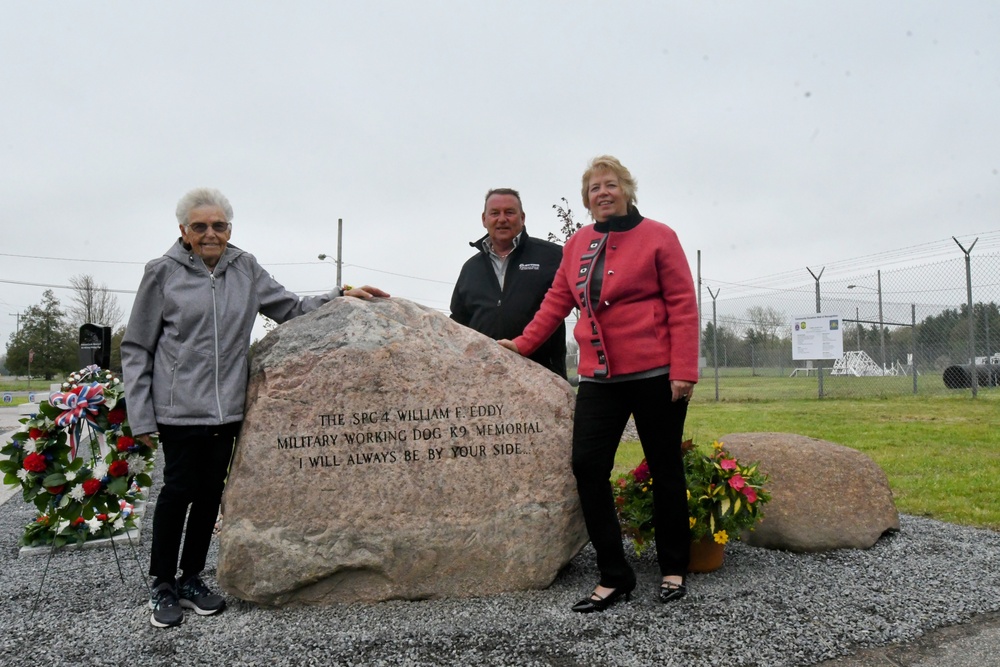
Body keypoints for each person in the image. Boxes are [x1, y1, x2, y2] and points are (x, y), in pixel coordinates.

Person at [121, 187, 388, 628]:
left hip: (228, 410)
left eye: (219, 226)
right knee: (177, 493)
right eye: (200, 226)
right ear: (183, 232)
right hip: (178, 409)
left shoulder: (245, 268)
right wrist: (140, 415)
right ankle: (162, 585)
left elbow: (291, 307)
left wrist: (342, 295)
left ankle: (191, 579)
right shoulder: (161, 273)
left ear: (230, 229)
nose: (211, 233)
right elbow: (136, 348)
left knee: (210, 496)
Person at [499, 156, 699, 612]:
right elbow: (556, 301)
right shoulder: (577, 244)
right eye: (593, 188)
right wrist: (523, 344)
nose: (602, 193)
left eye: (610, 185)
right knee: (588, 467)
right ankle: (614, 574)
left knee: (665, 470)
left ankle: (673, 567)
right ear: (587, 199)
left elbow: (683, 304)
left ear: (627, 190)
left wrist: (684, 370)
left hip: (657, 377)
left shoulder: (660, 237)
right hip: (599, 380)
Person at [450, 188, 567, 378]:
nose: (502, 219)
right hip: (484, 376)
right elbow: (458, 321)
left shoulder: (553, 256)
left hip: (544, 375)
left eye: (509, 212)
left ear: (522, 217)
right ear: (484, 219)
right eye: (495, 213)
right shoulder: (470, 268)